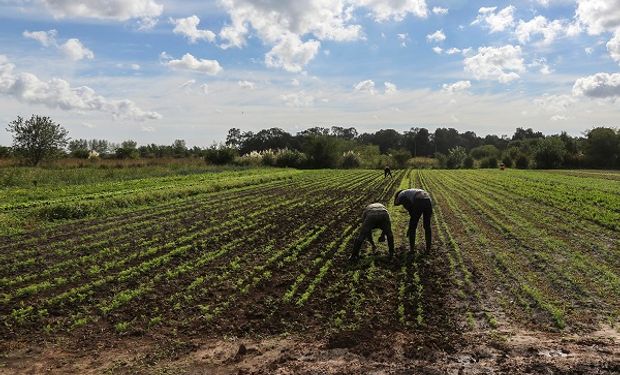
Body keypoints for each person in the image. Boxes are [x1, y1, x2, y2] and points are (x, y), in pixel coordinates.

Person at [394, 189, 433, 253]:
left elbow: (410, 209)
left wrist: (411, 226)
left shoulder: (401, 195)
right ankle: (428, 249)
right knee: (427, 226)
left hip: (419, 200)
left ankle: (412, 250)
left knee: (412, 227)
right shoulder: (409, 192)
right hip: (428, 200)